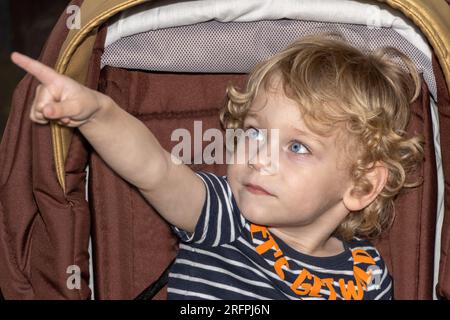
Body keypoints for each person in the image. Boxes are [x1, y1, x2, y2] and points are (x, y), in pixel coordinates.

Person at [11, 34, 424, 300]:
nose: (258, 157)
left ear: (362, 186)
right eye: (255, 133)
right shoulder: (226, 216)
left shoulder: (369, 276)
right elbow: (154, 169)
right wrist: (96, 114)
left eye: (298, 146)